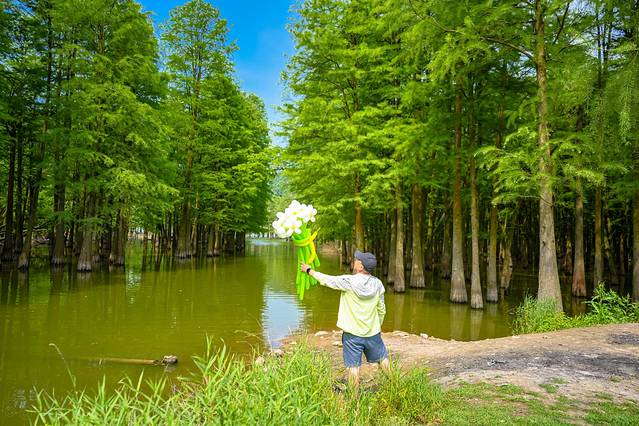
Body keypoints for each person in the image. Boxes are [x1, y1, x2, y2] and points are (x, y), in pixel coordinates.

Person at [300, 250, 390, 388]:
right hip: (373, 333)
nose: (355, 260)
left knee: (353, 367)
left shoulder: (349, 282)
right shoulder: (378, 284)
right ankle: (395, 385)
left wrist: (309, 270)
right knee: (382, 358)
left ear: (361, 267)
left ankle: (354, 397)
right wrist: (377, 325)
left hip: (352, 334)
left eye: (357, 259)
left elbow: (327, 280)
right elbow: (382, 309)